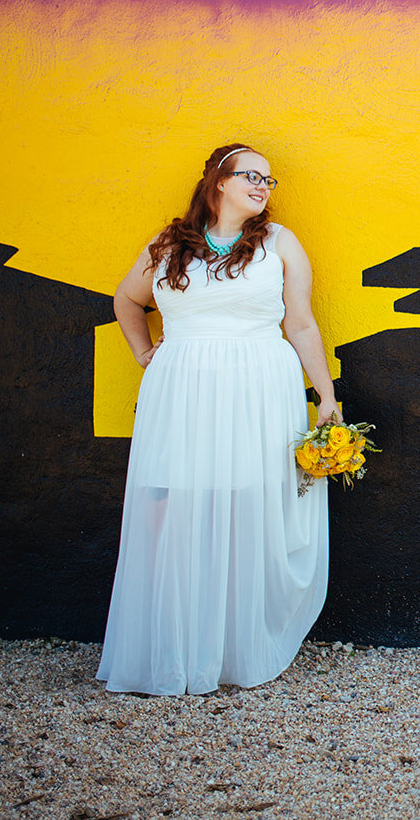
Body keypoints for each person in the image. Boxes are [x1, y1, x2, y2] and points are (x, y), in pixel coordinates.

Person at [97, 144, 338, 695]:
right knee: (176, 504)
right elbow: (127, 301)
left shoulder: (280, 244)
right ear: (218, 181)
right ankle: (177, 643)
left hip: (258, 387)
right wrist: (142, 352)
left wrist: (325, 396)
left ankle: (235, 648)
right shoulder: (169, 245)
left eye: (269, 179)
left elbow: (300, 324)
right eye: (252, 175)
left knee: (246, 504)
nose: (263, 186)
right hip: (180, 390)